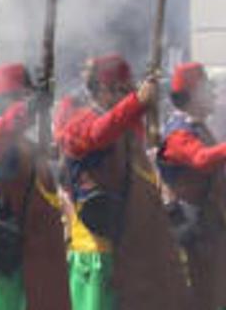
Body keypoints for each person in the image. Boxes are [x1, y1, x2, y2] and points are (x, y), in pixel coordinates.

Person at [59, 54, 191, 310]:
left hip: (134, 244)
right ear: (102, 89)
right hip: (98, 247)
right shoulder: (79, 122)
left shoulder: (128, 126)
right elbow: (97, 134)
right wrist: (137, 102)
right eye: (123, 89)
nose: (129, 94)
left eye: (131, 89)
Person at [0, 63, 70, 310]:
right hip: (4, 254)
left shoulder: (22, 142)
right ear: (10, 99)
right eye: (23, 97)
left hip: (32, 255)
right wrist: (28, 109)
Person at [156, 62, 226, 310]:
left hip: (208, 223)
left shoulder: (198, 126)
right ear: (192, 94)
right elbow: (202, 159)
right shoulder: (177, 133)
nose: (214, 94)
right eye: (207, 88)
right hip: (191, 227)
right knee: (201, 297)